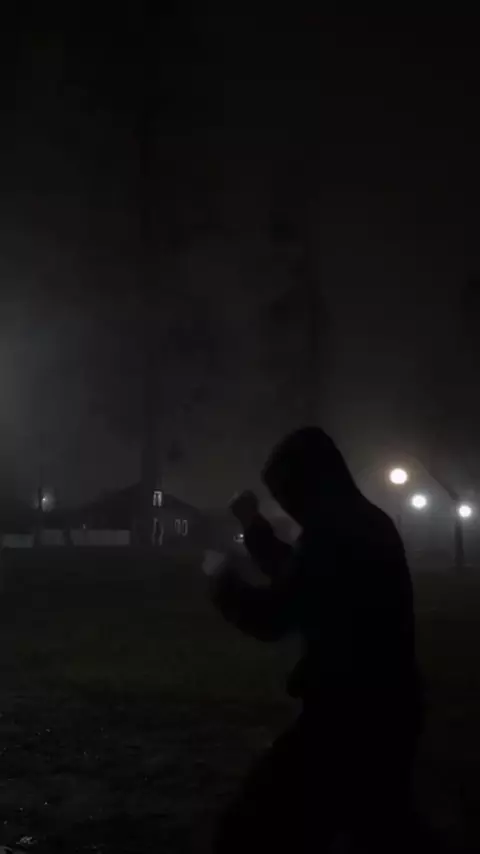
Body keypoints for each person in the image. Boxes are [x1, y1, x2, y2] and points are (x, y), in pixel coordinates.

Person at [209, 427, 424, 853]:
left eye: (287, 493)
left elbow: (275, 616)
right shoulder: (363, 522)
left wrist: (223, 584)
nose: (288, 505)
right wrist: (254, 527)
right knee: (373, 829)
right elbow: (305, 575)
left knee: (251, 829)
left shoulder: (332, 533)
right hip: (388, 706)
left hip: (349, 716)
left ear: (308, 482)